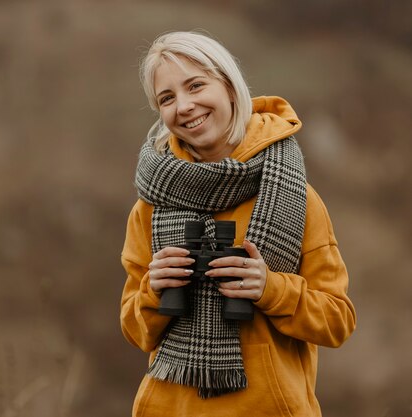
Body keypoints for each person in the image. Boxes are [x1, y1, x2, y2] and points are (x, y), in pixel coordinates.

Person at [120, 31, 356, 417]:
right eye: (167, 98)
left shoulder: (295, 195)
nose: (184, 106)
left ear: (229, 86)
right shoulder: (150, 206)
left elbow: (337, 321)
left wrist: (271, 288)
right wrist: (153, 290)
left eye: (196, 85)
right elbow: (135, 330)